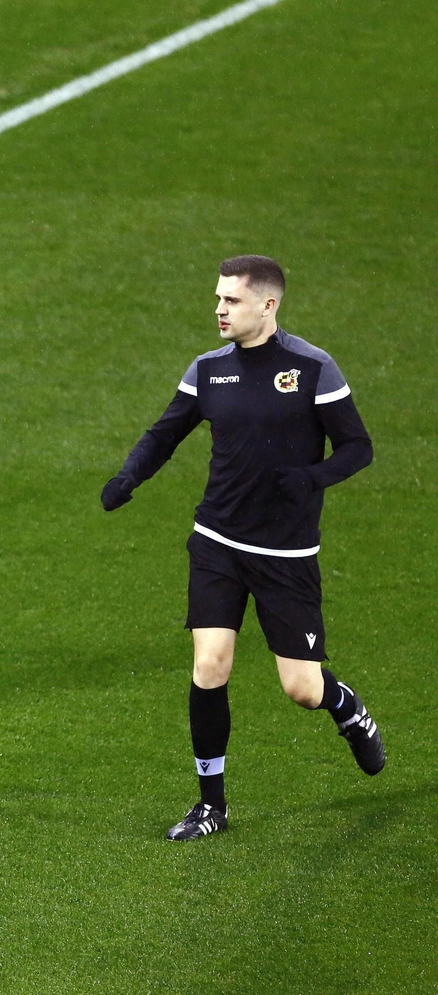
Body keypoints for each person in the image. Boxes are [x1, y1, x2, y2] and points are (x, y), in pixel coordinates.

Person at [102, 255, 382, 841]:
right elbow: (165, 433)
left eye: (231, 299)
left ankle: (347, 709)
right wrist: (129, 478)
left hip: (284, 555)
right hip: (217, 542)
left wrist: (312, 478)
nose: (219, 309)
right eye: (218, 297)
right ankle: (211, 806)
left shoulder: (311, 368)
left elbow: (358, 447)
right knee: (210, 666)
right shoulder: (208, 370)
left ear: (268, 305)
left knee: (301, 688)